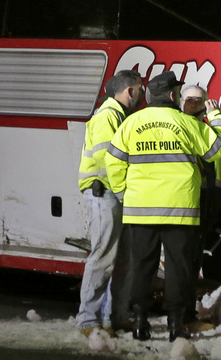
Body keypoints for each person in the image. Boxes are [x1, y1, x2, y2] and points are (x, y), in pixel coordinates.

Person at [105, 71, 221, 342]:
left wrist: (125, 193)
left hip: (140, 210)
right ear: (173, 96)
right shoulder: (186, 124)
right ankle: (175, 324)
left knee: (142, 267)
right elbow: (216, 149)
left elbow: (113, 161)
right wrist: (216, 118)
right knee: (179, 269)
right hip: (179, 211)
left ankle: (139, 322)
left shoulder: (132, 122)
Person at [76, 70, 144, 338]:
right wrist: (125, 191)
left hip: (112, 194)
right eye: (140, 88)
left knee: (120, 260)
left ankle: (113, 318)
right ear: (130, 90)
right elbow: (108, 160)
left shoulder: (117, 115)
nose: (141, 94)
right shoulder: (108, 116)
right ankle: (87, 321)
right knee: (103, 258)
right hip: (105, 194)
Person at [179, 85, 221, 332]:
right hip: (189, 204)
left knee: (198, 263)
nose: (195, 105)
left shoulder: (207, 132)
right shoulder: (185, 130)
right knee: (186, 265)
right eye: (190, 100)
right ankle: (184, 318)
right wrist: (218, 119)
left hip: (208, 206)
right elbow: (217, 149)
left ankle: (193, 313)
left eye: (200, 100)